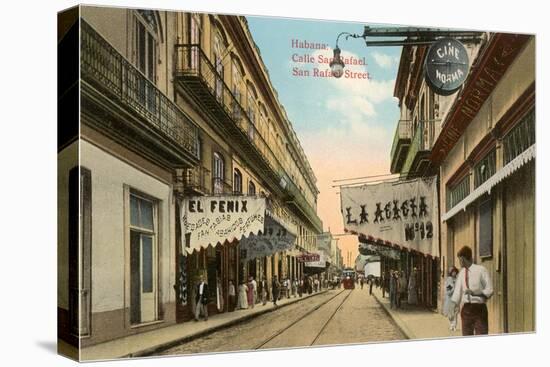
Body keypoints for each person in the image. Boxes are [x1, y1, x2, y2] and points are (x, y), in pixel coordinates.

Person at [451, 246, 494, 335]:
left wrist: (475, 293)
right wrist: (453, 310)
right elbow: (457, 294)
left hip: (480, 310)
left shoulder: (481, 270)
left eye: (459, 260)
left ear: (462, 259)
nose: (459, 262)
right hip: (466, 310)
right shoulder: (462, 273)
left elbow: (490, 290)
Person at [443, 267, 459, 331]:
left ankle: (454, 325)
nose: (454, 273)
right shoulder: (449, 280)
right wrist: (454, 288)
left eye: (455, 272)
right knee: (450, 314)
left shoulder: (457, 279)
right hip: (450, 299)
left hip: (456, 299)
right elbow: (448, 292)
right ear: (450, 273)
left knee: (455, 313)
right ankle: (451, 324)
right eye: (452, 272)